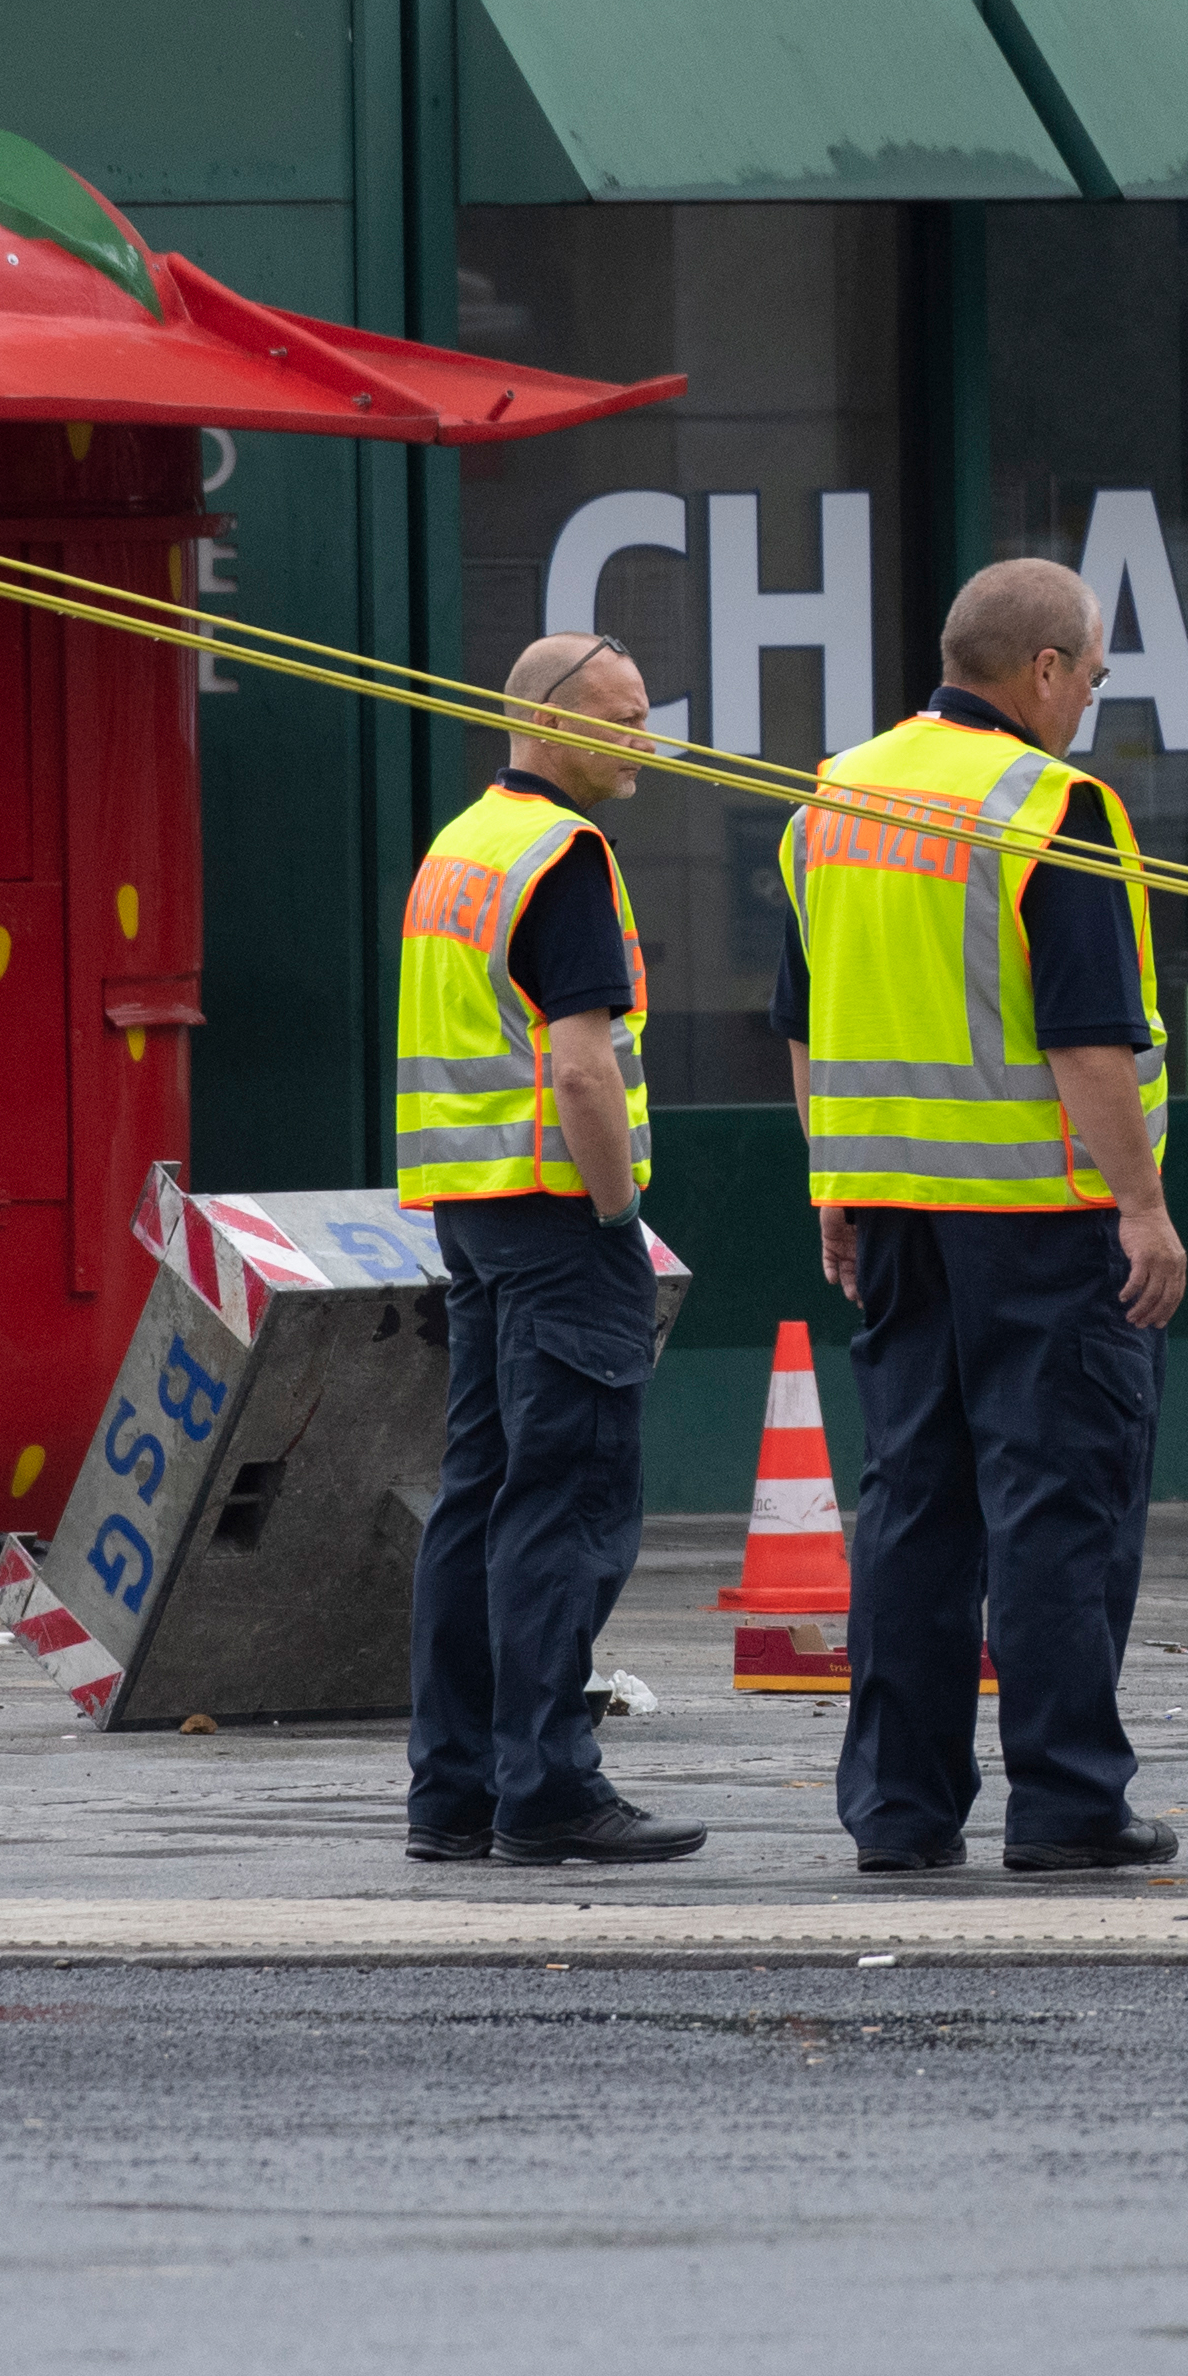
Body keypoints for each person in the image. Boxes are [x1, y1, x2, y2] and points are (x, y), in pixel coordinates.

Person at [777, 558, 1185, 1878]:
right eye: (1096, 674)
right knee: (1057, 1507)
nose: (1095, 699)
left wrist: (834, 1178)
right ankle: (1067, 1805)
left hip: (894, 1212)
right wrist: (1144, 1206)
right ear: (1046, 670)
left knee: (911, 1508)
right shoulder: (1051, 806)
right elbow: (1087, 1042)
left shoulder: (834, 798)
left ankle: (902, 1812)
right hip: (1041, 1214)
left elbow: (805, 1020)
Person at [393, 630, 700, 1867]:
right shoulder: (565, 857)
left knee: (476, 1500)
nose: (643, 745)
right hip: (557, 1215)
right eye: (623, 721)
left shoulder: (464, 844)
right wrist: (620, 1213)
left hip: (472, 1211)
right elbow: (581, 1069)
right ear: (553, 720)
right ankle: (550, 1791)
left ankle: (454, 1792)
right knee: (564, 1508)